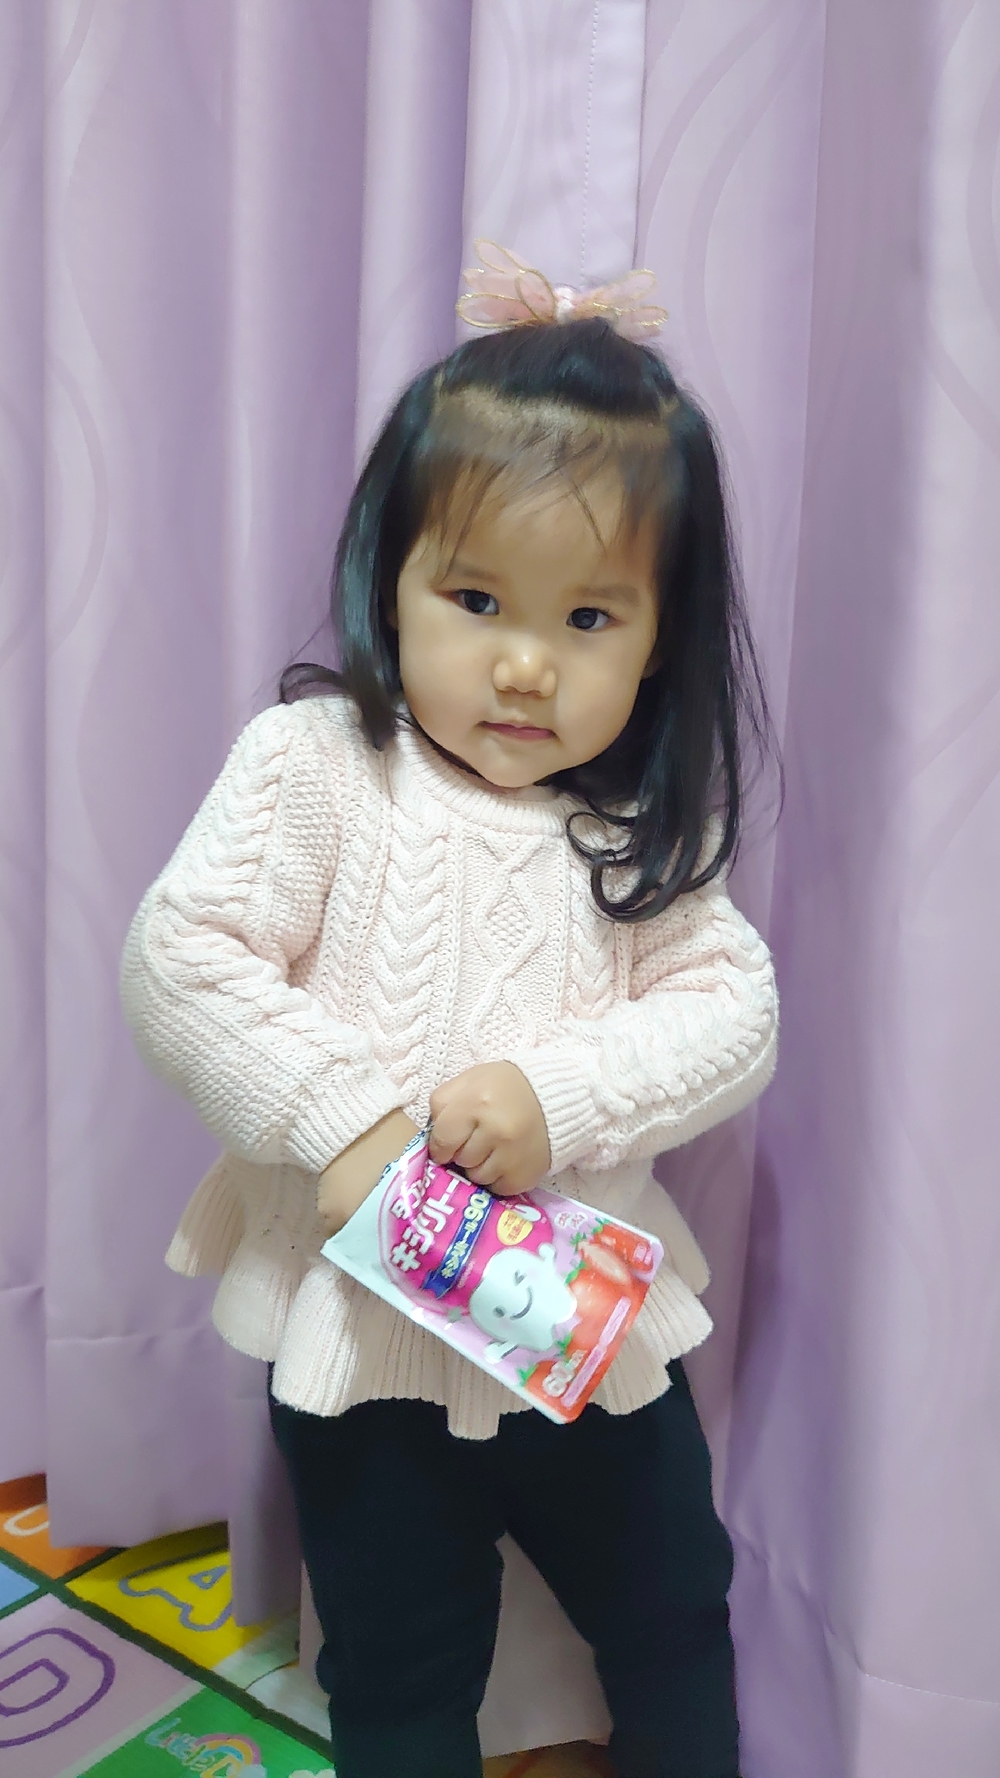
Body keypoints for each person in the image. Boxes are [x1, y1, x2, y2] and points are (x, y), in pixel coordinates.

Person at [121, 247, 778, 1778]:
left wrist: (561, 1096)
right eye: (476, 598)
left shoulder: (635, 829)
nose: (526, 663)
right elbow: (180, 955)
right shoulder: (314, 766)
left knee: (675, 1604)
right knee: (402, 1663)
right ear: (393, 581)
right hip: (365, 1341)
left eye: (591, 617)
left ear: (660, 640)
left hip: (583, 1328)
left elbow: (733, 1006)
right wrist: (345, 1122)